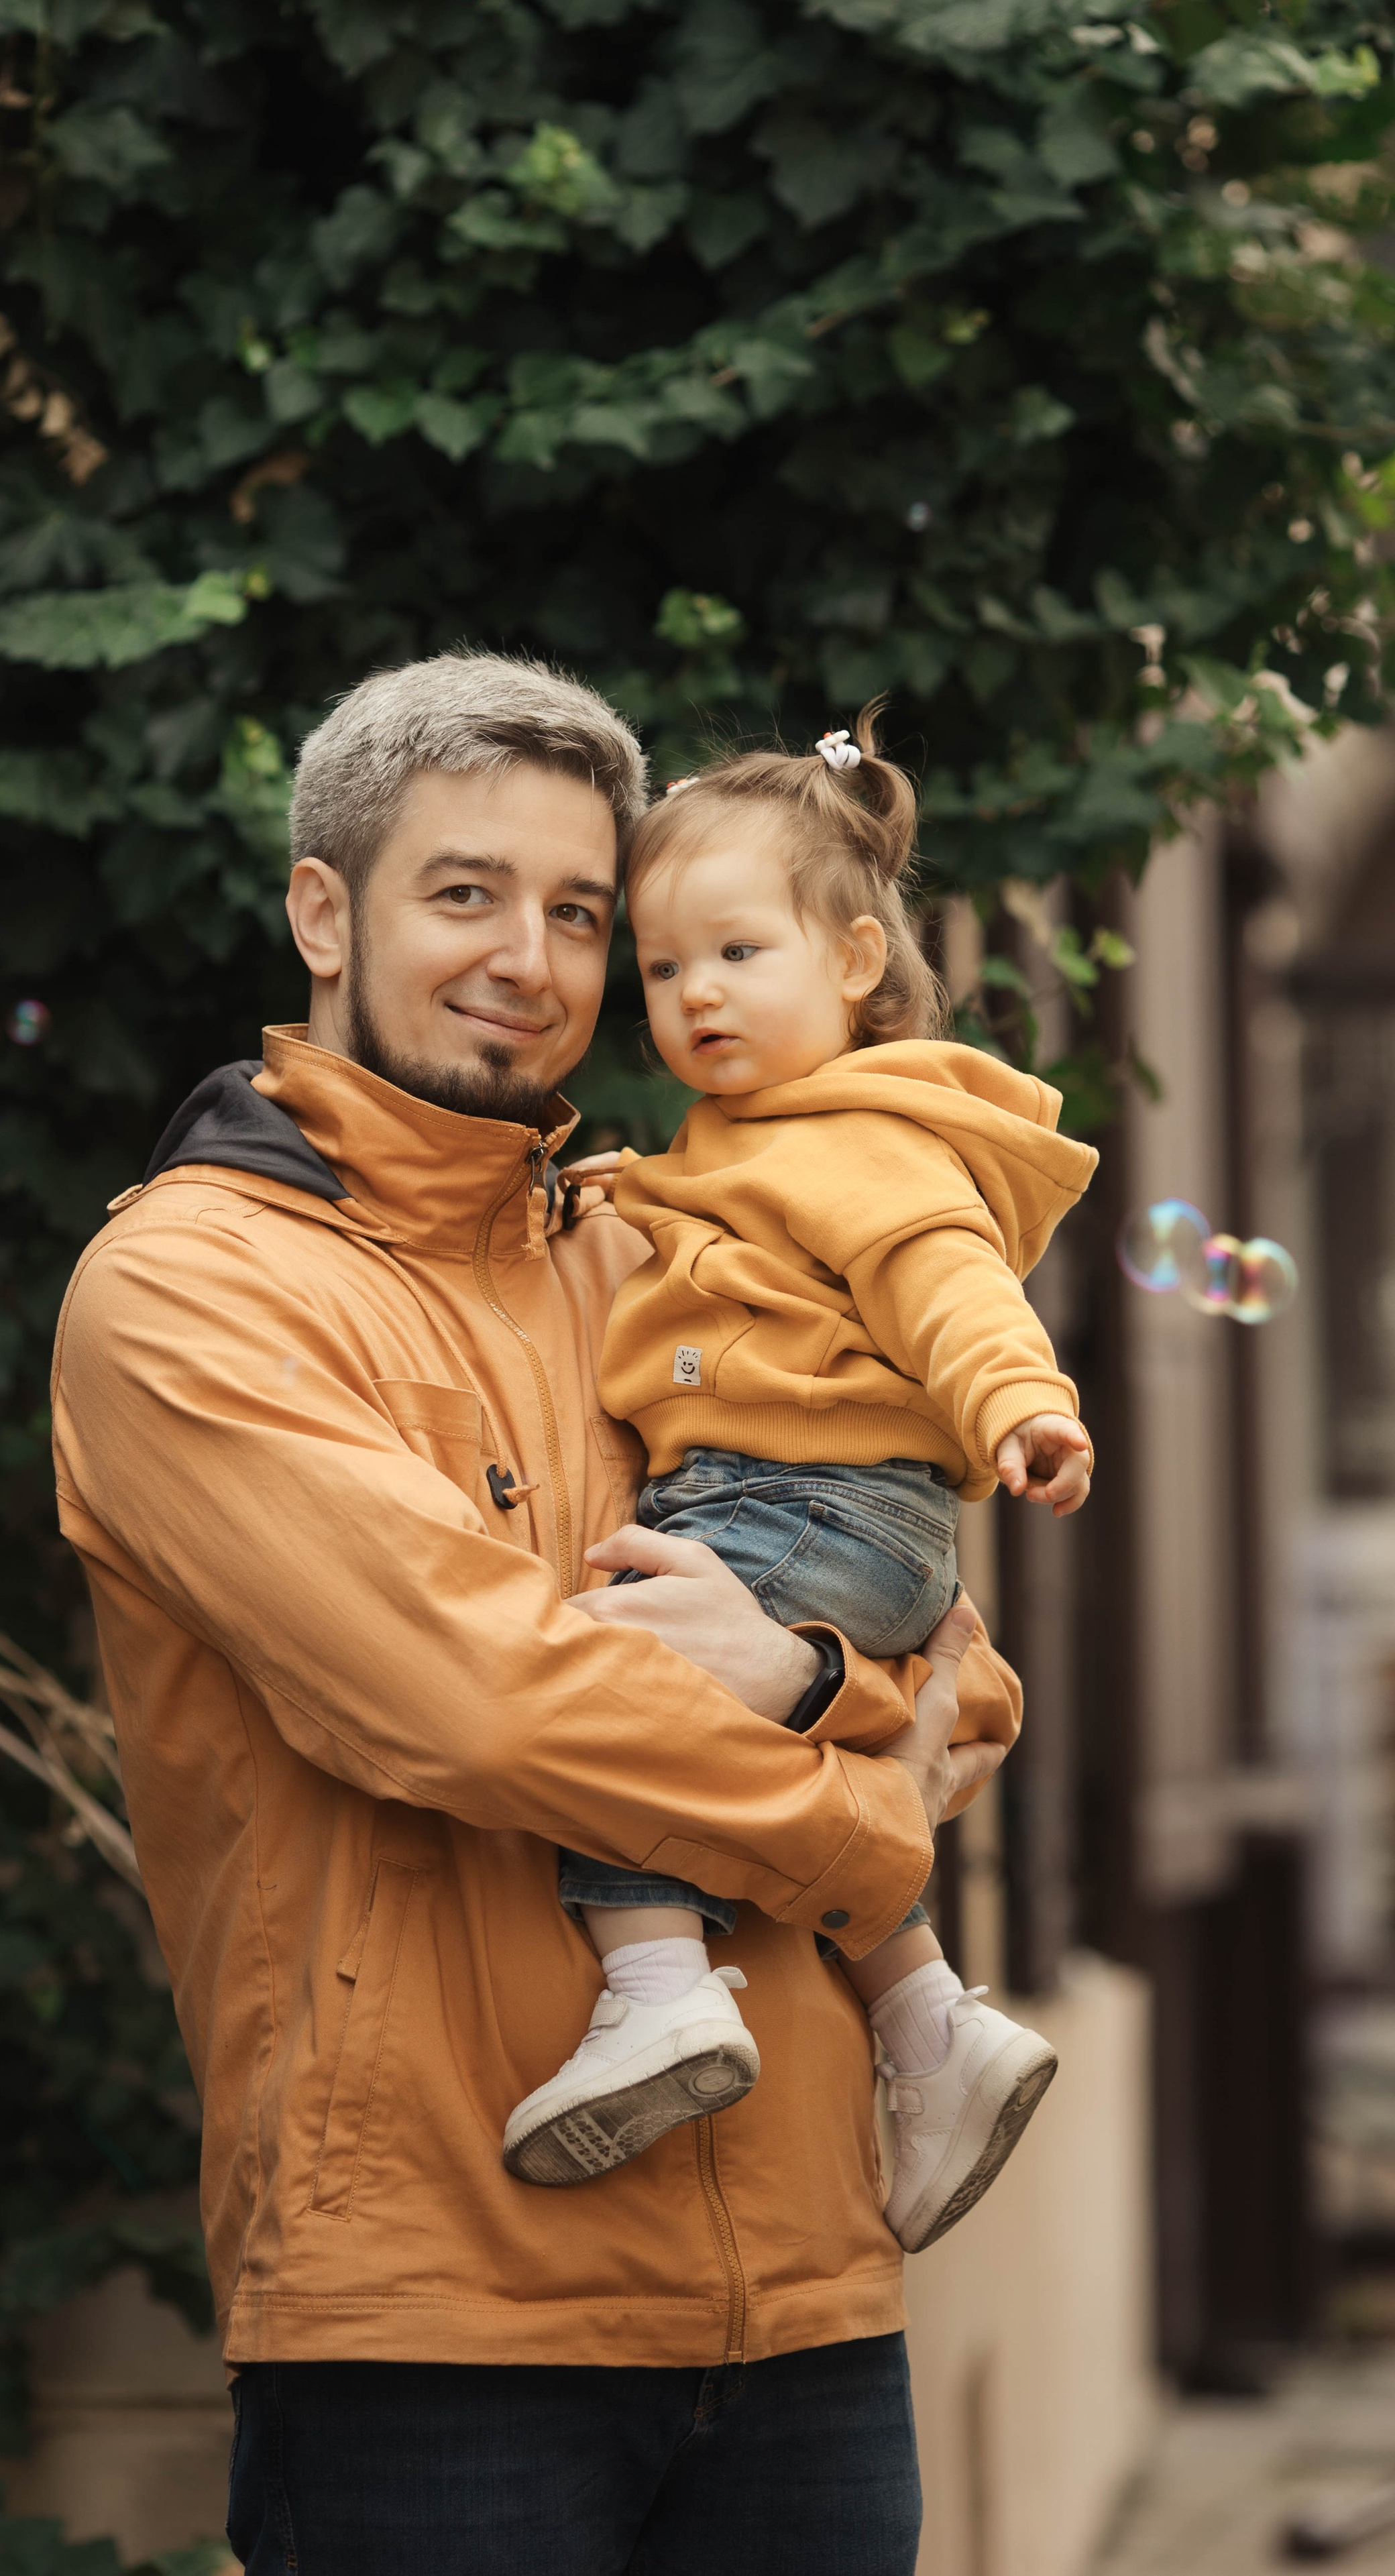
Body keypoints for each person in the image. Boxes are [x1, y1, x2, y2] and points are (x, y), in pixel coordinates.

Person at [50, 653, 1021, 2576]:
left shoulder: (670, 1248)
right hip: (442, 2319)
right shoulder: (187, 1292)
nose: (533, 956)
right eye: (466, 892)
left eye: (581, 911)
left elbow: (966, 1674)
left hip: (809, 2297)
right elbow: (488, 1710)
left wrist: (811, 1663)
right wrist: (857, 1811)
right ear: (325, 913)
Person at [502, 716, 1097, 2255]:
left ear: (849, 959)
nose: (693, 993)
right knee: (707, 1710)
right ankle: (928, 2024)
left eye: (736, 952)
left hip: (794, 1502)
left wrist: (1024, 1403)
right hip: (851, 1527)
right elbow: (714, 1235)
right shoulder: (741, 1140)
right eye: (659, 967)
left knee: (607, 1688)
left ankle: (656, 1990)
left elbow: (952, 1290)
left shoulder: (868, 1139)